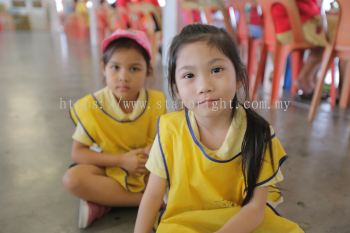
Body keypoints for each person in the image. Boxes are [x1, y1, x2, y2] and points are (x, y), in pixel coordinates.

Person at [134, 24, 304, 233]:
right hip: (185, 222)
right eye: (189, 76)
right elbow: (152, 196)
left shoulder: (259, 134)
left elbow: (255, 209)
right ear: (176, 89)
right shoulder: (170, 130)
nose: (204, 85)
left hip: (242, 221)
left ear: (239, 77)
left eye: (216, 70)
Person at [63, 29, 166, 229]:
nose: (123, 76)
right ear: (104, 67)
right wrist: (121, 160)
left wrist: (152, 150)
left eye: (134, 69)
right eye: (115, 67)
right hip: (111, 166)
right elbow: (78, 153)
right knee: (73, 179)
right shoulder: (92, 106)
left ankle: (104, 201)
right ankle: (154, 201)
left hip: (146, 169)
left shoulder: (157, 101)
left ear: (148, 71)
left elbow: (166, 140)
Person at [271, 0, 338, 99]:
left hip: (280, 27)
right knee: (333, 36)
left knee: (326, 38)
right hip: (294, 24)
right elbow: (310, 9)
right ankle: (305, 79)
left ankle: (309, 80)